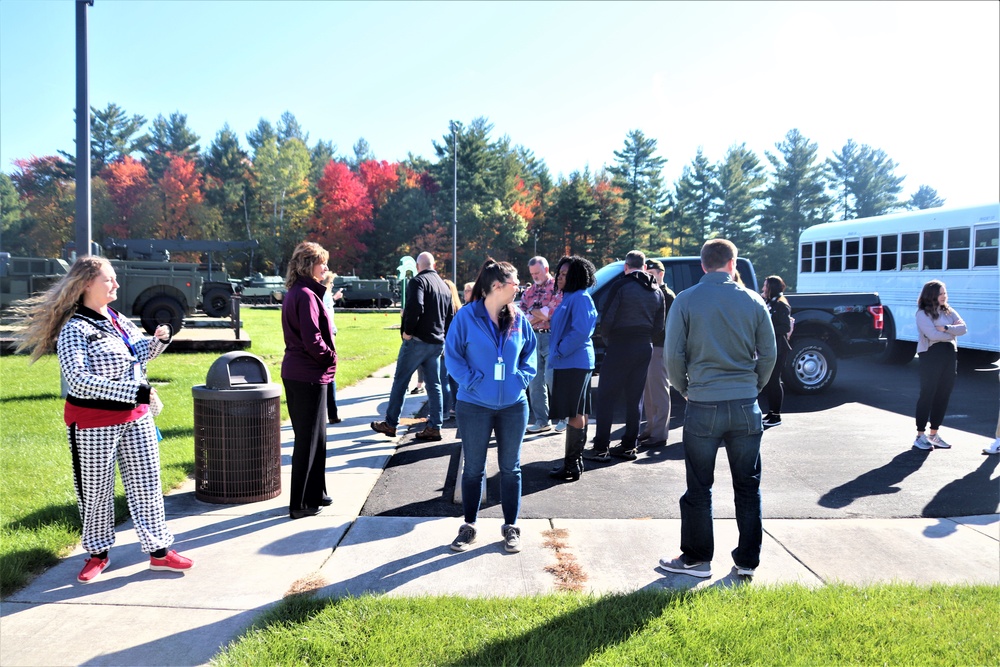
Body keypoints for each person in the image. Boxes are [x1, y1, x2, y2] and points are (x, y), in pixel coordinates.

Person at [16, 256, 193, 583]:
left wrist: (159, 341)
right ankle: (97, 554)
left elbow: (138, 352)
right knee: (96, 490)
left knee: (147, 484)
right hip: (93, 423)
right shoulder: (75, 329)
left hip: (136, 418)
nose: (116, 284)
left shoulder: (117, 319)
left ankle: (159, 552)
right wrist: (132, 392)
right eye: (108, 280)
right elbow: (78, 381)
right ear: (86, 284)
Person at [660, 238, 776, 580]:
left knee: (698, 485)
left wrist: (685, 388)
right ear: (732, 262)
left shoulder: (685, 300)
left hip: (703, 402)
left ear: (702, 265)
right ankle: (746, 561)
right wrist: (753, 387)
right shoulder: (753, 300)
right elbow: (768, 355)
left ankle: (697, 559)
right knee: (748, 485)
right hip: (744, 403)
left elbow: (672, 356)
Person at [444, 258, 536, 553]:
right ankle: (469, 526)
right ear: (497, 286)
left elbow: (530, 355)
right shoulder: (466, 317)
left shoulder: (519, 318)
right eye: (516, 282)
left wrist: (520, 379)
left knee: (511, 468)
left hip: (513, 406)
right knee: (473, 468)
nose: (519, 287)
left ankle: (511, 526)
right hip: (473, 405)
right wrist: (472, 383)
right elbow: (452, 356)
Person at [584, 250, 664, 461]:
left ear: (626, 267)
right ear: (645, 267)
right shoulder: (656, 290)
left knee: (606, 396)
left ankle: (601, 447)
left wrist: (610, 339)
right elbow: (659, 325)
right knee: (634, 398)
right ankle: (630, 446)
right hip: (644, 344)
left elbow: (608, 317)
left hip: (620, 343)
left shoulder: (621, 285)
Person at [371, 252, 454, 442]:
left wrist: (407, 331)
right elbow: (450, 317)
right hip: (437, 342)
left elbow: (416, 306)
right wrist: (443, 337)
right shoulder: (444, 286)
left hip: (417, 341)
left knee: (401, 381)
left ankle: (391, 423)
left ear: (418, 266)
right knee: (435, 386)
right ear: (434, 265)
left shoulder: (418, 281)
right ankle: (435, 426)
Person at [282, 242, 337, 519]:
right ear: (307, 264)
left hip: (306, 373)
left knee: (318, 437)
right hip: (307, 374)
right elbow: (312, 338)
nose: (326, 268)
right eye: (322, 263)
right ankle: (301, 502)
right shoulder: (304, 294)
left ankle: (316, 492)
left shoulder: (302, 292)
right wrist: (330, 358)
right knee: (307, 439)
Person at [546, 256, 598, 482]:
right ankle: (574, 463)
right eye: (559, 273)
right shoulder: (570, 298)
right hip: (573, 362)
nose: (559, 277)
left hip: (573, 362)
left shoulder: (580, 298)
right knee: (579, 412)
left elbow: (581, 332)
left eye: (565, 274)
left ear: (576, 276)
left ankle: (571, 465)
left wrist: (558, 351)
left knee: (575, 413)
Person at [913, 280, 966, 450]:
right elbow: (932, 335)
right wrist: (951, 332)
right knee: (928, 393)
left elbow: (964, 328)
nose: (944, 296)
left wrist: (945, 327)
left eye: (945, 293)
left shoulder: (948, 311)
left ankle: (934, 434)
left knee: (944, 394)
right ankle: (920, 435)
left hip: (949, 355)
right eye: (941, 293)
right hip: (931, 355)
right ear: (931, 295)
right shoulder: (922, 314)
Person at [520, 256, 564, 434]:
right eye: (532, 273)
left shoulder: (558, 287)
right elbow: (523, 316)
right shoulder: (528, 291)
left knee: (553, 379)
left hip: (551, 336)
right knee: (535, 381)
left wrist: (535, 313)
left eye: (537, 272)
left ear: (546, 269)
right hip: (533, 338)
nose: (534, 276)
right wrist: (540, 314)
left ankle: (564, 417)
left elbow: (551, 313)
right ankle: (541, 420)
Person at [637, 259, 675, 449]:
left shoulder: (667, 296)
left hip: (660, 347)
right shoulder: (652, 293)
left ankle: (660, 434)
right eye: (647, 273)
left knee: (659, 392)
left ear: (661, 274)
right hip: (649, 346)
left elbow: (666, 326)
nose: (649, 276)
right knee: (649, 392)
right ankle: (650, 428)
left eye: (652, 273)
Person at [758, 275, 793, 428]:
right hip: (770, 347)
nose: (763, 288)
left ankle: (776, 415)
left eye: (766, 286)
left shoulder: (781, 304)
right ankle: (771, 413)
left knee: (774, 380)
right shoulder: (769, 302)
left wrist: (767, 329)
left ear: (772, 287)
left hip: (779, 348)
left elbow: (785, 327)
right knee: (769, 382)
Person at [322, 273, 345, 424]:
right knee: (330, 375)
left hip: (327, 334)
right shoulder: (325, 296)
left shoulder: (324, 296)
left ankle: (331, 413)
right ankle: (332, 413)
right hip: (328, 335)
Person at [440, 278, 463, 420]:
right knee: (454, 380)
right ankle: (456, 407)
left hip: (444, 346)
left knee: (443, 380)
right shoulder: (460, 310)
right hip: (456, 348)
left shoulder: (443, 308)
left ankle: (444, 412)